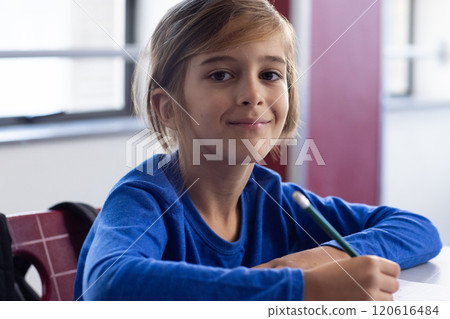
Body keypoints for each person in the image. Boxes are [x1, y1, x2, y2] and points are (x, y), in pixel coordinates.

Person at [74, 0, 442, 301]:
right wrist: (302, 287)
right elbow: (110, 284)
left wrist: (315, 260)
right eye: (221, 74)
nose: (254, 94)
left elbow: (418, 230)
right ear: (167, 107)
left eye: (270, 75)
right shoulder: (144, 198)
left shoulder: (276, 201)